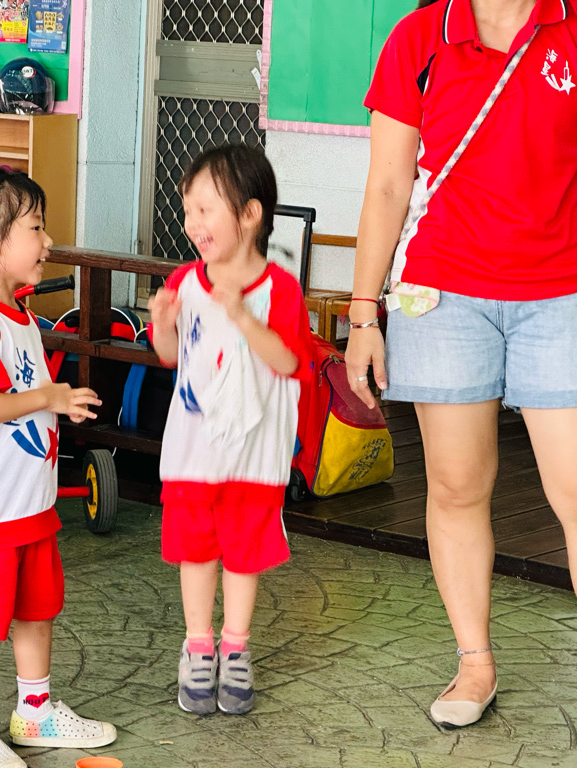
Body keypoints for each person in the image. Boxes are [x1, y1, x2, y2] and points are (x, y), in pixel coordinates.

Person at [348, 0, 577, 728]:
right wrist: (362, 313)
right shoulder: (420, 38)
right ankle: (475, 664)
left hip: (563, 289)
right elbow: (389, 185)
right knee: (455, 484)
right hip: (443, 292)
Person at [0, 169, 116, 768]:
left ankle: (33, 711)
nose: (47, 241)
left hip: (29, 507)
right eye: (36, 228)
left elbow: (20, 399)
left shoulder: (20, 317)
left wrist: (56, 403)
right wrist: (48, 397)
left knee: (37, 609)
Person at [148, 144, 311, 716]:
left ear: (250, 213)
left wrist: (242, 314)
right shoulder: (185, 281)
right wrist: (161, 324)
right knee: (196, 550)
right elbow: (171, 356)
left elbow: (289, 361)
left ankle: (235, 647)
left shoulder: (280, 289)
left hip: (254, 453)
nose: (192, 223)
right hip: (193, 448)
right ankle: (198, 646)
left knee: (244, 552)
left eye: (205, 209)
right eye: (187, 210)